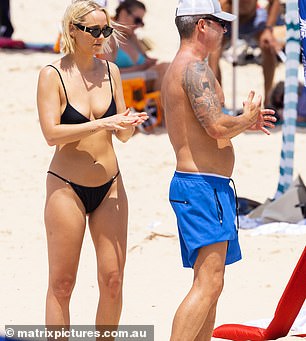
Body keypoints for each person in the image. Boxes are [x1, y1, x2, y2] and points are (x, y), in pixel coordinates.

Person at [161, 0, 276, 340]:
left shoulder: (184, 66)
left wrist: (242, 124)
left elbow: (209, 125)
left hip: (204, 185)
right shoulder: (194, 68)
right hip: (201, 186)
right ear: (201, 26)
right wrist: (246, 119)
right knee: (208, 284)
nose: (225, 30)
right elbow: (214, 127)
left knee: (211, 283)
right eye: (220, 24)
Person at [37, 0, 148, 330]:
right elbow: (51, 134)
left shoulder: (112, 72)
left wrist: (129, 123)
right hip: (66, 186)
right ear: (73, 30)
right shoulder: (52, 75)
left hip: (110, 183)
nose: (101, 37)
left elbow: (124, 135)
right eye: (94, 30)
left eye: (106, 30)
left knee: (113, 280)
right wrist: (102, 124)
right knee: (62, 284)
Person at [208, 0, 281, 107]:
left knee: (268, 46)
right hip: (227, 20)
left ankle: (268, 102)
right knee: (213, 51)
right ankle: (218, 102)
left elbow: (275, 2)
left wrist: (268, 29)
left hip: (252, 19)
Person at [105, 0, 169, 92]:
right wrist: (140, 68)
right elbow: (106, 72)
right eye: (137, 20)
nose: (138, 25)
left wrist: (149, 62)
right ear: (123, 14)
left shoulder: (132, 38)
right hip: (122, 87)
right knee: (165, 69)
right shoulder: (109, 37)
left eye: (141, 22)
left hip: (139, 85)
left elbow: (147, 61)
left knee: (169, 68)